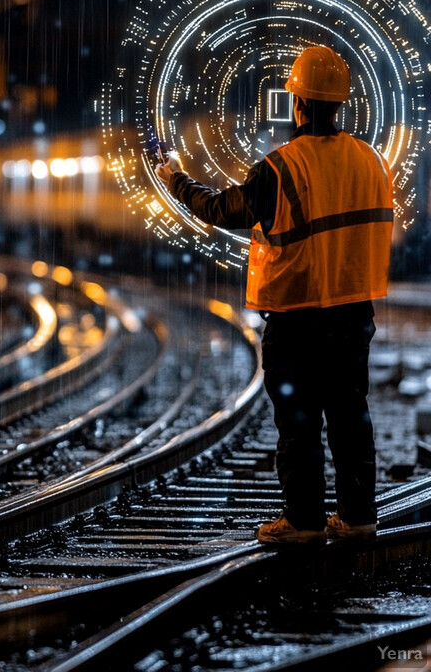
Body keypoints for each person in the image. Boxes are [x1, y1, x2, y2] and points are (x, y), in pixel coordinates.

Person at [156, 45, 394, 544]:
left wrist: (174, 179)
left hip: (298, 314)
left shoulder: (282, 169)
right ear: (340, 103)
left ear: (298, 103)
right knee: (351, 416)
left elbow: (222, 209)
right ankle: (358, 518)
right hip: (353, 312)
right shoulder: (370, 161)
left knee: (299, 421)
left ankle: (304, 522)